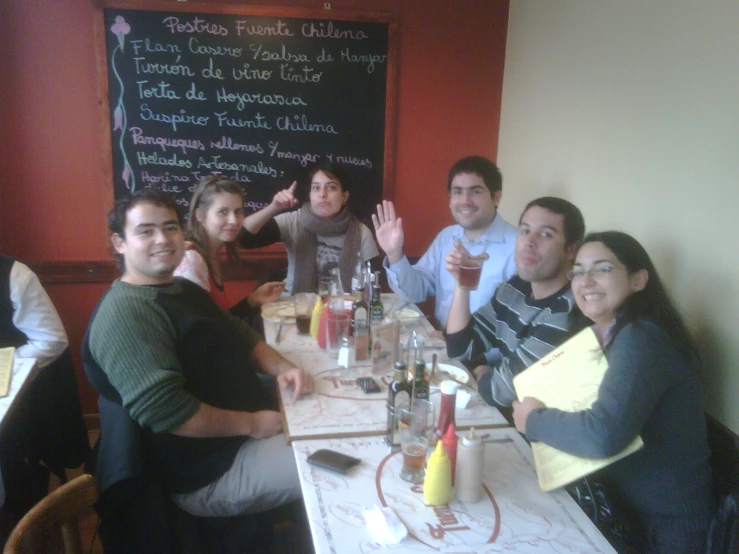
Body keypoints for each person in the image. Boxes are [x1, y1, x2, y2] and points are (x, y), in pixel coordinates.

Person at [84, 189, 313, 518]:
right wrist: (252, 424)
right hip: (212, 471)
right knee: (337, 459)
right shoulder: (126, 314)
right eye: (146, 231)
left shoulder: (179, 288)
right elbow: (168, 412)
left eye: (171, 227)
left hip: (245, 431)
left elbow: (239, 334)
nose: (163, 239)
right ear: (120, 243)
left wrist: (282, 368)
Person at [512, 231, 713, 553]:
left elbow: (603, 436)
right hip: (622, 511)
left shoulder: (642, 336)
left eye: (602, 269)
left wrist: (533, 420)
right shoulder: (602, 336)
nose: (586, 280)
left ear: (638, 280)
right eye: (578, 271)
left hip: (663, 530)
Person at [445, 197, 585, 408]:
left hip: (531, 433)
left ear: (570, 250)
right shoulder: (515, 288)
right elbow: (460, 349)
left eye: (545, 234)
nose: (530, 242)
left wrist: (483, 371)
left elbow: (500, 392)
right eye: (525, 231)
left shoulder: (566, 312)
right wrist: (462, 284)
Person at [372, 156, 517, 328]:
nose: (465, 200)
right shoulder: (447, 237)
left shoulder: (518, 247)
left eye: (476, 191)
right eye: (457, 191)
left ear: (496, 197)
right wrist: (394, 254)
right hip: (441, 342)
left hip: (486, 353)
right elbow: (415, 291)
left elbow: (514, 324)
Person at [241, 160, 379, 294]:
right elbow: (244, 237)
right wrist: (273, 207)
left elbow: (371, 287)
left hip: (340, 308)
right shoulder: (293, 221)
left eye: (331, 187)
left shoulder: (361, 233)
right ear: (310, 195)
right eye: (316, 188)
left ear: (344, 196)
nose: (322, 194)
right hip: (294, 307)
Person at [174, 174, 284, 313]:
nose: (233, 220)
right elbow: (200, 331)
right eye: (223, 212)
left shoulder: (211, 255)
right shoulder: (192, 261)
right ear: (200, 215)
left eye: (238, 212)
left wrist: (253, 299)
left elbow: (218, 321)